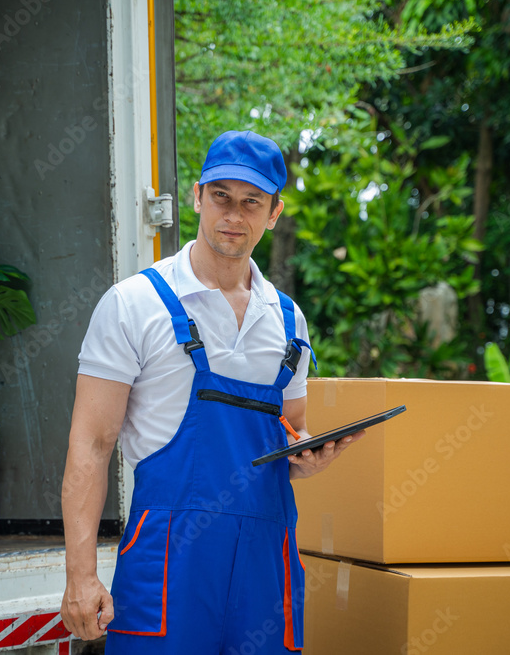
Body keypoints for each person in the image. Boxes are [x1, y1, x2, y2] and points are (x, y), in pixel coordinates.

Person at [60, 130, 364, 654]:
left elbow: (291, 435)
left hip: (267, 563)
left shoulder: (289, 321)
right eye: (221, 196)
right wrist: (80, 576)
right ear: (197, 196)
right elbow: (90, 445)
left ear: (274, 213)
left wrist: (309, 458)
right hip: (168, 560)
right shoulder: (134, 304)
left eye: (252, 202)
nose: (234, 214)